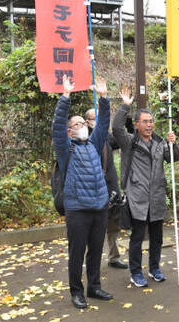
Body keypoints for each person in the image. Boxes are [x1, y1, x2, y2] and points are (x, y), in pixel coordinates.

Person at [52, 75, 113, 309]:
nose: (83, 126)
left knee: (96, 250)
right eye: (77, 124)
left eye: (84, 123)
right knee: (77, 253)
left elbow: (104, 123)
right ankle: (76, 292)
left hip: (99, 206)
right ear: (69, 132)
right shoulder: (66, 150)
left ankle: (94, 286)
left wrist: (104, 98)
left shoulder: (94, 144)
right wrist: (65, 96)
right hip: (77, 208)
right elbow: (57, 127)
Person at [112, 87, 179, 288]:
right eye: (145, 122)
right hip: (137, 197)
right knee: (137, 237)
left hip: (157, 196)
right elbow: (117, 128)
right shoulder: (129, 142)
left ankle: (154, 268)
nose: (150, 125)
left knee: (157, 237)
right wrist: (125, 106)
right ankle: (135, 272)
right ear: (136, 124)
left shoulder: (159, 142)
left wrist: (173, 144)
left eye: (151, 121)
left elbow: (173, 158)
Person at [84, 108, 128, 270]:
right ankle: (92, 259)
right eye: (95, 118)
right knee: (94, 226)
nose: (99, 120)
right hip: (94, 188)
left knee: (113, 224)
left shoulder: (106, 135)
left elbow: (119, 140)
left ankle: (114, 257)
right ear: (88, 121)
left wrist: (125, 120)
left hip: (111, 187)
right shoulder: (85, 139)